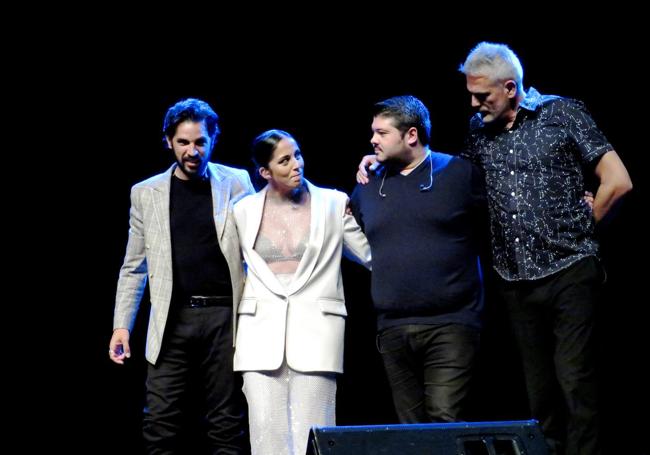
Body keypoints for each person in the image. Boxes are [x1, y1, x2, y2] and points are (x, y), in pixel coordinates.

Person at [457, 42, 632, 455]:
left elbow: (618, 180)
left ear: (511, 88)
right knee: (540, 395)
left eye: (483, 96)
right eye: (470, 94)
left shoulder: (561, 112)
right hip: (516, 279)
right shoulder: (478, 131)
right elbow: (457, 181)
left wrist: (584, 226)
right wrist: (386, 165)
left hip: (571, 268)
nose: (474, 104)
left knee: (575, 380)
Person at [108, 98, 254, 454]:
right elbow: (134, 265)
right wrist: (121, 325)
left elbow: (263, 235)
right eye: (184, 142)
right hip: (172, 318)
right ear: (168, 142)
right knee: (160, 422)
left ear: (213, 140)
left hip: (224, 317)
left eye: (200, 142)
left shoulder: (236, 182)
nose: (192, 151)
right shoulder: (146, 193)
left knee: (226, 422)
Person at [349, 95, 487, 424]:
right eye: (373, 132)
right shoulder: (368, 184)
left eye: (382, 133)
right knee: (409, 432)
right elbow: (347, 227)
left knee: (443, 419)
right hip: (392, 329)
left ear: (411, 135)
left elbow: (498, 222)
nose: (372, 139)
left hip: (451, 323)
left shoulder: (458, 173)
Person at [232, 129, 371, 455]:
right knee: (266, 438)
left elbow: (370, 256)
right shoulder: (243, 211)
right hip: (258, 337)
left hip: (318, 333)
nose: (296, 164)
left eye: (297, 154)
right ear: (265, 172)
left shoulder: (334, 204)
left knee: (314, 437)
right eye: (284, 160)